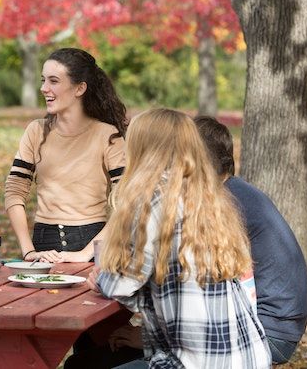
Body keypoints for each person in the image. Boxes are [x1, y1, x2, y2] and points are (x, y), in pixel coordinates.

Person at [90, 108, 271, 368]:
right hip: (249, 356)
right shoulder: (207, 197)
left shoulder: (152, 199)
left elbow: (119, 284)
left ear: (144, 150)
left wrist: (102, 277)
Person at [194, 115, 307, 364]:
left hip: (271, 333)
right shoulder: (236, 191)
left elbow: (208, 284)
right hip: (282, 324)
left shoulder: (226, 204)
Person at [5, 47, 128, 263]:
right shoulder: (36, 131)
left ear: (79, 88)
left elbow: (128, 202)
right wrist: (28, 251)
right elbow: (14, 191)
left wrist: (84, 254)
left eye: (54, 81)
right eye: (43, 80)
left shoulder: (109, 136)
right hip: (43, 243)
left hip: (92, 244)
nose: (44, 88)